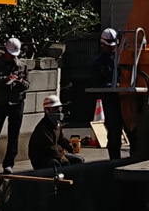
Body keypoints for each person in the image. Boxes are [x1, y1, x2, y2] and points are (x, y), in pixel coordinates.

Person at [0, 37, 30, 171]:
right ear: (5, 51)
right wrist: (4, 79)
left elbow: (27, 84)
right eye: (10, 54)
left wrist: (20, 83)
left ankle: (9, 163)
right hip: (1, 104)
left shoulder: (22, 66)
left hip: (17, 103)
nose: (12, 57)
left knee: (14, 136)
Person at [88, 27, 128, 159]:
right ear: (102, 44)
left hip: (125, 100)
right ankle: (114, 159)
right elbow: (96, 84)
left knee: (131, 129)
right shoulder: (98, 63)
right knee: (114, 132)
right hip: (111, 102)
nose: (112, 48)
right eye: (108, 45)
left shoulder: (122, 59)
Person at [28, 94, 83, 170]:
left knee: (79, 160)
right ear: (47, 110)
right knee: (58, 164)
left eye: (60, 108)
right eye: (55, 108)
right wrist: (61, 157)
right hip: (42, 158)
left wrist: (69, 146)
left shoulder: (57, 125)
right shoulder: (43, 129)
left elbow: (61, 139)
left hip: (54, 154)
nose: (59, 111)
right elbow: (50, 148)